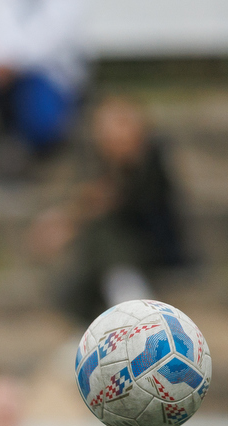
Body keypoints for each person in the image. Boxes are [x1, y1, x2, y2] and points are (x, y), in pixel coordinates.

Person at [29, 96, 188, 324]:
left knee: (104, 233)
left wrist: (70, 220)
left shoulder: (149, 161)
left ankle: (130, 300)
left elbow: (129, 202)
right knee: (94, 241)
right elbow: (86, 198)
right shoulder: (93, 163)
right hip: (106, 256)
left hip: (150, 247)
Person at [0, 0, 85, 179]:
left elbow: (53, 36)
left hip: (52, 78)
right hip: (9, 74)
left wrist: (10, 64)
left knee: (39, 116)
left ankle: (30, 143)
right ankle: (9, 134)